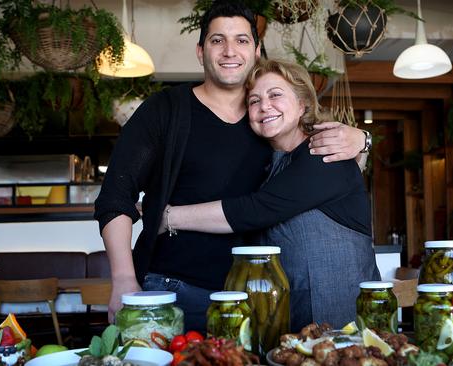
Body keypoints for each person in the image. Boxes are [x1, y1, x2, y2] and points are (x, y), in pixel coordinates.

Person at [94, 1, 370, 331]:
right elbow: (115, 196)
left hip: (255, 297)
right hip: (175, 289)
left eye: (241, 40)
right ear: (200, 52)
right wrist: (123, 279)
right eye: (217, 40)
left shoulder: (270, 124)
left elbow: (277, 194)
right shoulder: (166, 110)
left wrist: (363, 139)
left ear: (256, 52)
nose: (229, 51)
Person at [160, 59, 381, 331]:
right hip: (290, 325)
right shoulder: (267, 165)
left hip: (343, 326)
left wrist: (168, 216)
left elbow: (255, 210)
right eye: (254, 101)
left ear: (302, 104)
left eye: (275, 94)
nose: (264, 106)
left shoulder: (324, 155)